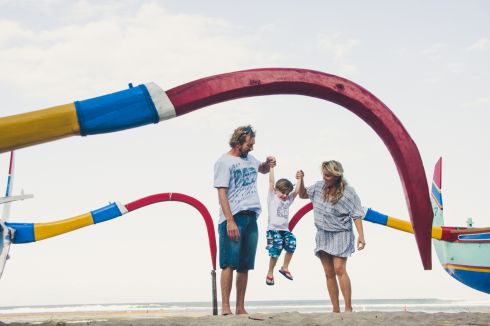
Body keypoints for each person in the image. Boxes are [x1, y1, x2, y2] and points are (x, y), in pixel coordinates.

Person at [213, 125, 275, 315]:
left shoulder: (250, 159)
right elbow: (222, 194)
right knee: (228, 263)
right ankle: (225, 307)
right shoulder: (224, 162)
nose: (252, 147)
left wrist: (267, 163)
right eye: (249, 144)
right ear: (238, 142)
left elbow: (262, 169)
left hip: (251, 217)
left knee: (245, 265)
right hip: (233, 217)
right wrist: (230, 221)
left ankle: (240, 307)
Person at [297, 160, 366, 313]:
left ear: (336, 176)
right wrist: (301, 180)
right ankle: (335, 309)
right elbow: (302, 194)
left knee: (339, 269)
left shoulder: (349, 192)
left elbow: (356, 214)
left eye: (328, 175)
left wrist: (361, 235)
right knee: (328, 273)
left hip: (341, 233)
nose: (325, 177)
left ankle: (348, 308)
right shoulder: (318, 187)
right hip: (323, 234)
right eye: (324, 174)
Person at [265, 165, 302, 286]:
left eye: (287, 193)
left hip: (284, 230)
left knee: (292, 243)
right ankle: (270, 273)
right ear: (276, 190)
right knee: (276, 251)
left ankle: (284, 267)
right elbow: (271, 182)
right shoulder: (272, 198)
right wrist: (271, 167)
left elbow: (296, 191)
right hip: (273, 230)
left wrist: (299, 179)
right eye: (283, 192)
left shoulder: (287, 201)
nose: (285, 195)